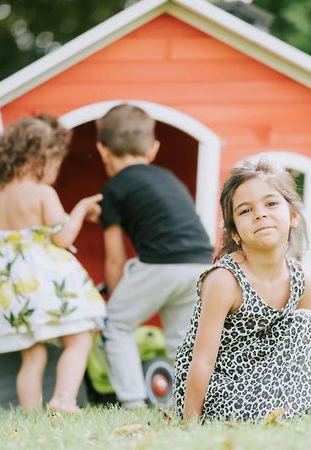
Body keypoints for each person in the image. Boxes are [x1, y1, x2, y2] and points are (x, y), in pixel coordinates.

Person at [174, 160, 311, 421]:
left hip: (266, 385)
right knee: (308, 325)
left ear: (294, 216)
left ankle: (308, 414)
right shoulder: (225, 281)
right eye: (246, 210)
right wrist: (190, 422)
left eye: (271, 204)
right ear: (235, 233)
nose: (260, 214)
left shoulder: (299, 279)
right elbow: (202, 360)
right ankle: (275, 417)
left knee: (309, 324)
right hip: (220, 392)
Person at [0, 114, 106, 413]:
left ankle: (31, 414)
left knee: (32, 357)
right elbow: (62, 237)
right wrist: (81, 209)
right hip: (44, 287)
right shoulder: (42, 193)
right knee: (79, 338)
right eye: (55, 163)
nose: (56, 171)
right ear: (39, 158)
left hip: (12, 292)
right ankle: (63, 399)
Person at [96, 104, 213, 409]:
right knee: (180, 340)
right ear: (153, 148)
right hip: (201, 263)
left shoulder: (114, 188)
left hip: (162, 264)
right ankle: (185, 407)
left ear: (102, 150)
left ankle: (133, 402)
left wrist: (115, 295)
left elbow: (114, 259)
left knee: (117, 326)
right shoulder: (169, 178)